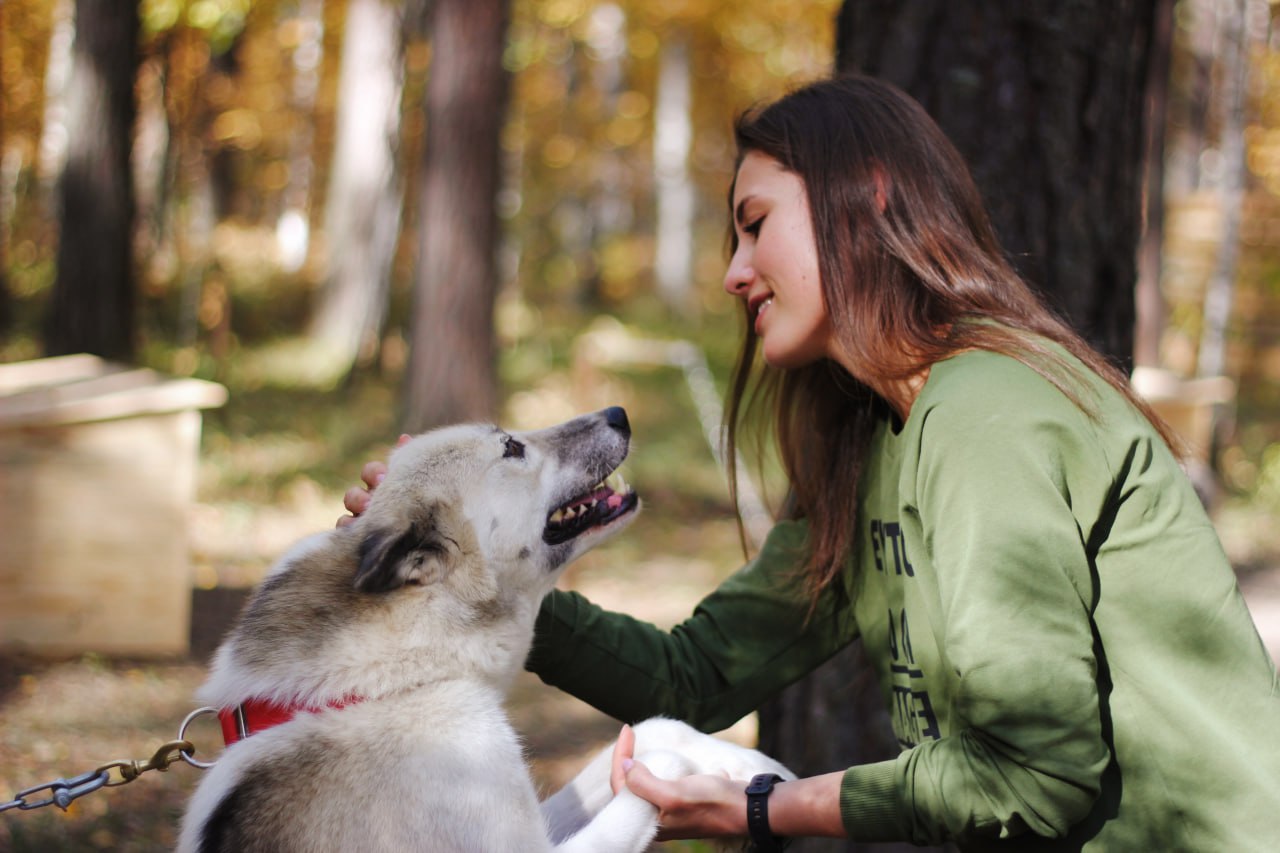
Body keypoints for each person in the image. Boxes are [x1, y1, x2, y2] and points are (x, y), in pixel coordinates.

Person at [342, 74, 1280, 850]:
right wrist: (472, 571)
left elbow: (1033, 774)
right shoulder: (873, 440)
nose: (733, 272)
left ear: (867, 194)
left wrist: (768, 808)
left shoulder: (986, 415)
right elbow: (693, 675)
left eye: (756, 224)